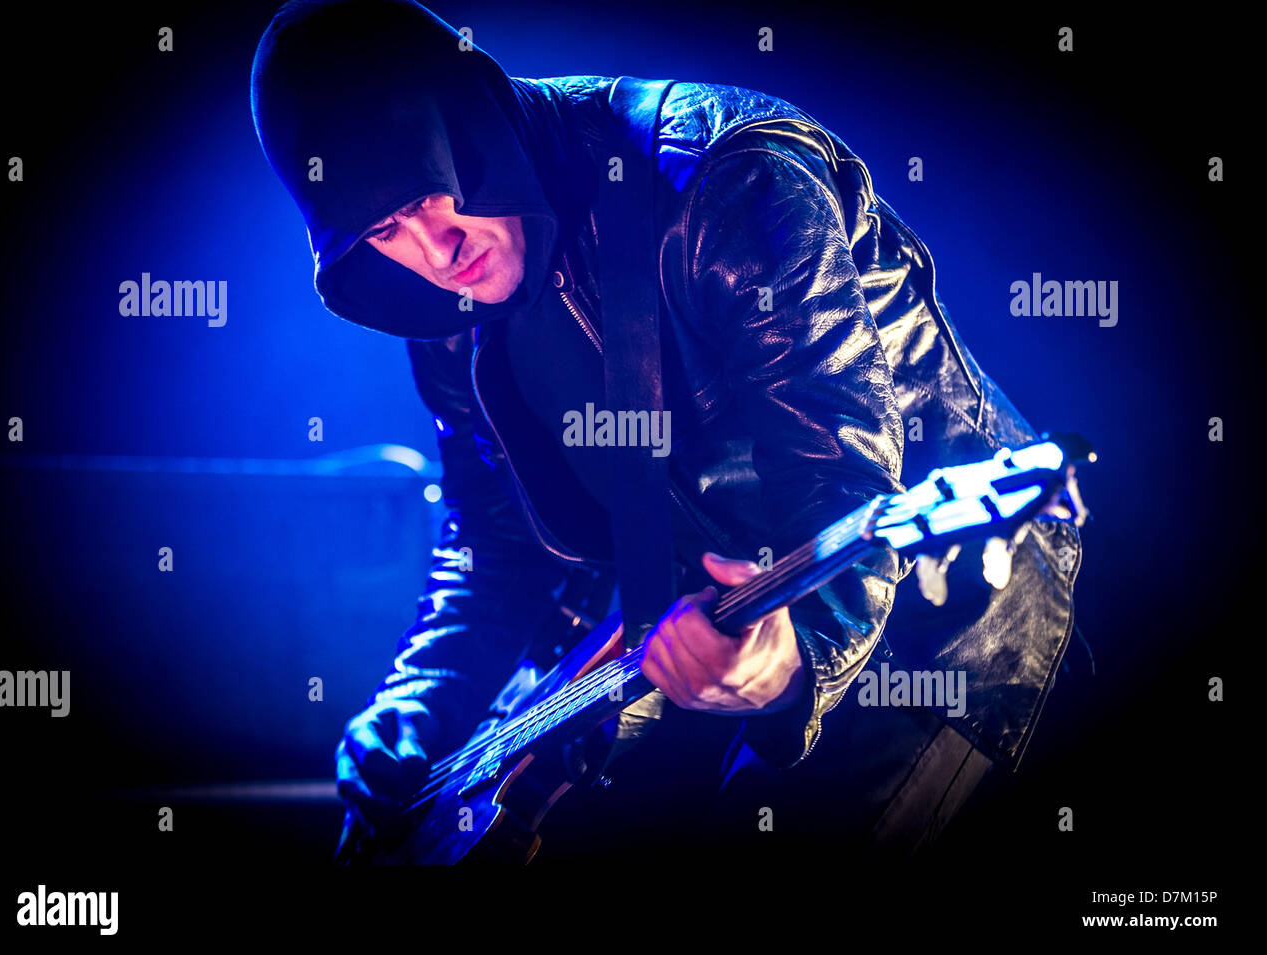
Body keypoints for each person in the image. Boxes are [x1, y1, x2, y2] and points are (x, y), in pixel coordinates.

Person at [249, 0, 1083, 863]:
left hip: (934, 600)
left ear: (474, 120)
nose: (434, 247)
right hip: (694, 616)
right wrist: (417, 708)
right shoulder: (448, 315)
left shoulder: (728, 182)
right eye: (385, 230)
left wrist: (790, 656)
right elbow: (495, 547)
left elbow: (844, 478)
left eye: (431, 194)